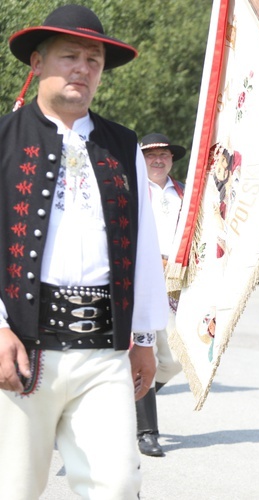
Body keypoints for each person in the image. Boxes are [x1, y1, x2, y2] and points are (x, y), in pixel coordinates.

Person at [0, 5, 168, 499]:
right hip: (23, 346)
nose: (82, 69)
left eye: (92, 61)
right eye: (69, 56)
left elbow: (142, 244)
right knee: (14, 489)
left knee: (116, 486)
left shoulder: (123, 145)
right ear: (36, 63)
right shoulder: (4, 140)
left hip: (103, 351)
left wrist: (143, 338)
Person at [136, 133, 187, 457]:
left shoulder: (185, 192)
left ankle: (130, 399)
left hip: (175, 286)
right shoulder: (131, 190)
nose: (158, 159)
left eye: (164, 154)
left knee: (176, 359)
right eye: (151, 154)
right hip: (141, 283)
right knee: (147, 354)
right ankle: (146, 432)